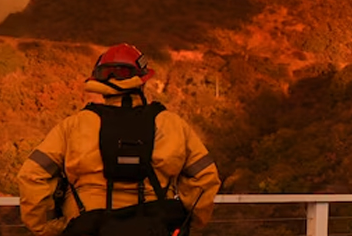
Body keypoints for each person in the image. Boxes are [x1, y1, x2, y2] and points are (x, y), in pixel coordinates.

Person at [18, 43, 221, 236]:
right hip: (155, 229)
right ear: (143, 80)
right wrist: (189, 220)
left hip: (86, 227)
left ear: (100, 82)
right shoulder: (172, 125)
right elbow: (205, 178)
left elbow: (32, 175)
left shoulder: (73, 126)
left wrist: (51, 227)